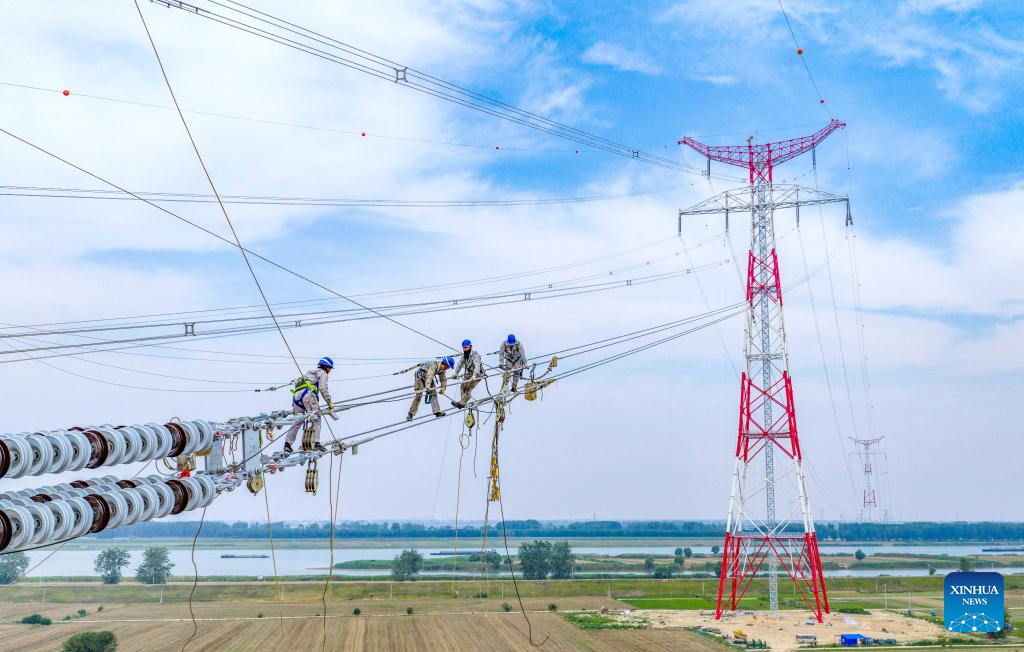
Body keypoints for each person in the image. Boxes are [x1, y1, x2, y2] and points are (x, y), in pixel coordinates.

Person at [282, 357, 334, 454]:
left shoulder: (309, 373)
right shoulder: (323, 373)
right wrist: (329, 402)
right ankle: (316, 443)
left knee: (298, 421)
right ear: (327, 367)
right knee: (317, 418)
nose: (330, 371)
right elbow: (323, 389)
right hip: (308, 395)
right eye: (330, 368)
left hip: (297, 397)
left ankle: (287, 445)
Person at [405, 356, 453, 421]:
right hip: (420, 376)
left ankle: (437, 412)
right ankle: (410, 414)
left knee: (434, 394)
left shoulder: (443, 370)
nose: (447, 369)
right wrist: (427, 386)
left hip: (428, 378)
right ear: (445, 364)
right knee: (418, 395)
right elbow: (429, 375)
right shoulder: (434, 365)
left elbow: (443, 379)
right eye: (448, 367)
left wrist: (443, 388)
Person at [452, 339, 483, 408]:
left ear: (470, 347)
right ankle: (462, 401)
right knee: (463, 387)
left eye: (466, 347)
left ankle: (462, 403)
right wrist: (456, 373)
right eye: (463, 348)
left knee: (468, 388)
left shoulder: (475, 355)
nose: (464, 349)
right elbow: (460, 364)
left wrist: (474, 375)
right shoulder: (465, 355)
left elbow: (477, 366)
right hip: (469, 373)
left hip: (477, 374)